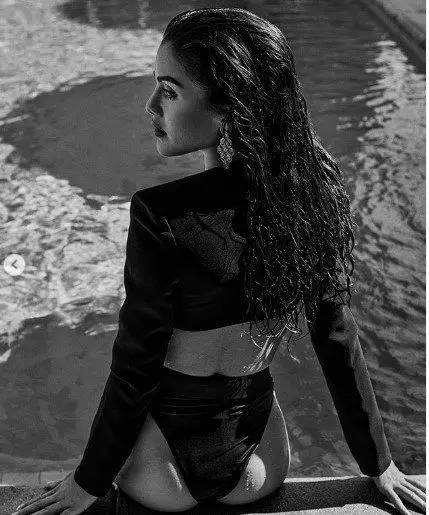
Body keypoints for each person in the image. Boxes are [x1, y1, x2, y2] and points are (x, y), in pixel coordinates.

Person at [11, 7, 425, 515]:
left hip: (162, 469)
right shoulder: (312, 196)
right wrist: (379, 464)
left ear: (229, 107)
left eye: (168, 91)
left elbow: (136, 365)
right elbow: (336, 336)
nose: (150, 106)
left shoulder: (162, 214)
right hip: (261, 464)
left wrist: (87, 482)